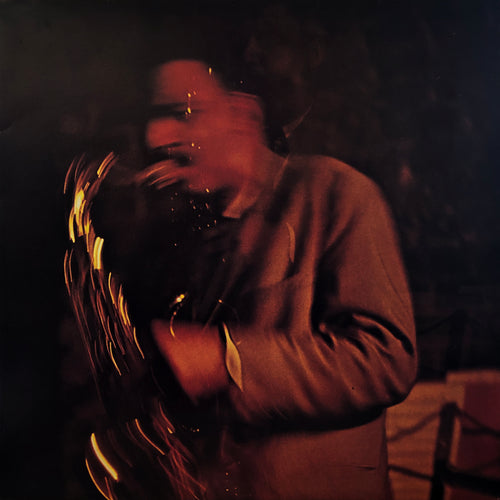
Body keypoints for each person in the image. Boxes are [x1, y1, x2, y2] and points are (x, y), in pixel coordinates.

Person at [127, 58, 417, 500]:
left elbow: (387, 359)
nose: (157, 138)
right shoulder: (188, 231)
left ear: (243, 115)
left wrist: (227, 359)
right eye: (153, 119)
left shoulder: (337, 193)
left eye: (183, 113)